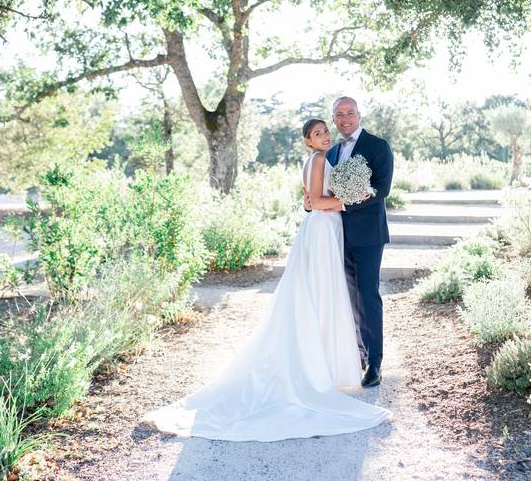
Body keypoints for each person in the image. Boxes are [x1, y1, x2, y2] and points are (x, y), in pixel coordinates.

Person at [142, 118, 391, 440]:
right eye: (318, 134)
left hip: (331, 230)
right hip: (322, 229)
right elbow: (314, 201)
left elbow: (315, 199)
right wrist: (350, 199)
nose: (326, 135)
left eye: (325, 131)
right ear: (308, 141)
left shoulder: (332, 156)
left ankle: (337, 361)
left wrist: (342, 198)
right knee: (321, 293)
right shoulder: (318, 159)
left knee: (329, 293)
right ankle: (318, 364)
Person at [323, 96, 394, 388]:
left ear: (359, 115)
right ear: (334, 119)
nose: (345, 119)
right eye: (339, 115)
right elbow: (322, 189)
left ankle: (374, 362)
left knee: (368, 295)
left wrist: (343, 204)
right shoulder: (331, 153)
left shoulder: (378, 146)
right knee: (346, 297)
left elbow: (382, 189)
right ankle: (356, 356)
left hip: (368, 236)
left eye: (349, 113)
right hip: (336, 236)